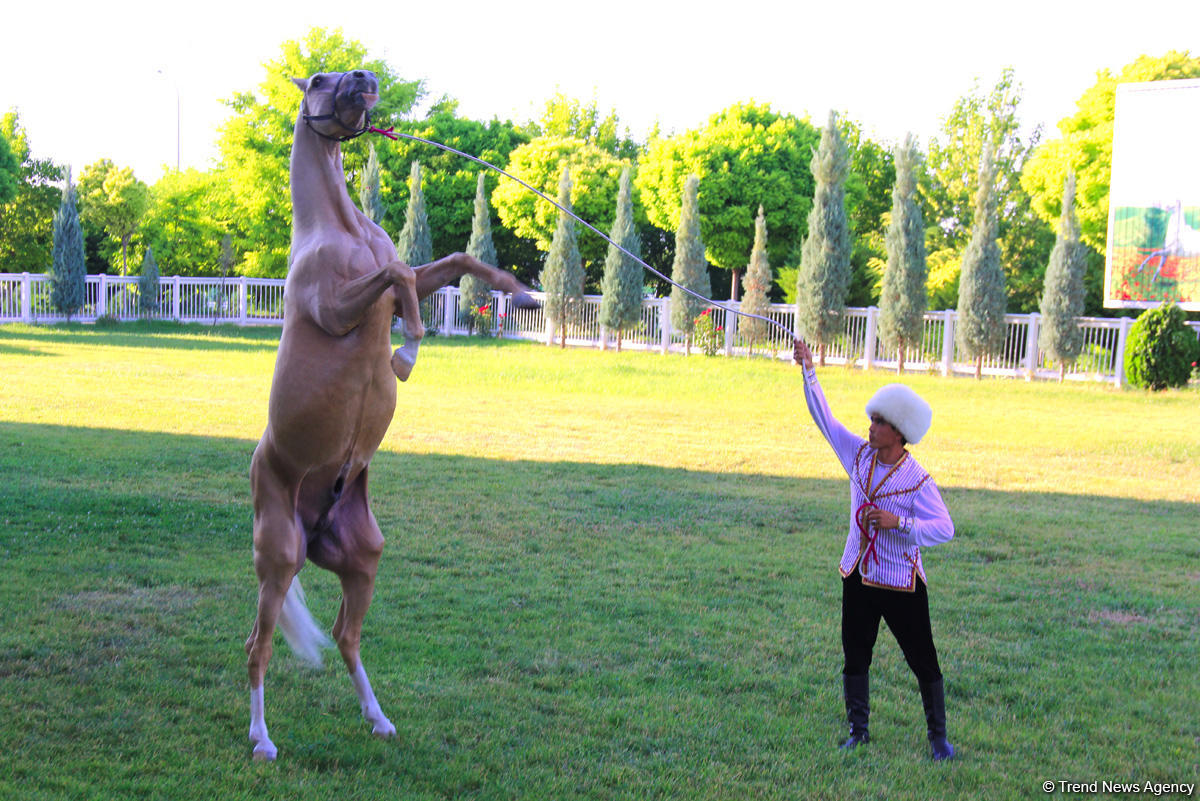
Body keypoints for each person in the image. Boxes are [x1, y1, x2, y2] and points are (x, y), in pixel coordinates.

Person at [793, 338, 956, 761]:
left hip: (901, 583)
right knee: (855, 654)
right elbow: (824, 420)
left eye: (880, 421)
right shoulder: (859, 455)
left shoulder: (917, 480)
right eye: (873, 418)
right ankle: (858, 731)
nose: (871, 425)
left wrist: (898, 523)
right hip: (858, 575)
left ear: (899, 432)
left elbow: (945, 528)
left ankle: (938, 739)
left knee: (923, 659)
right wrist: (809, 370)